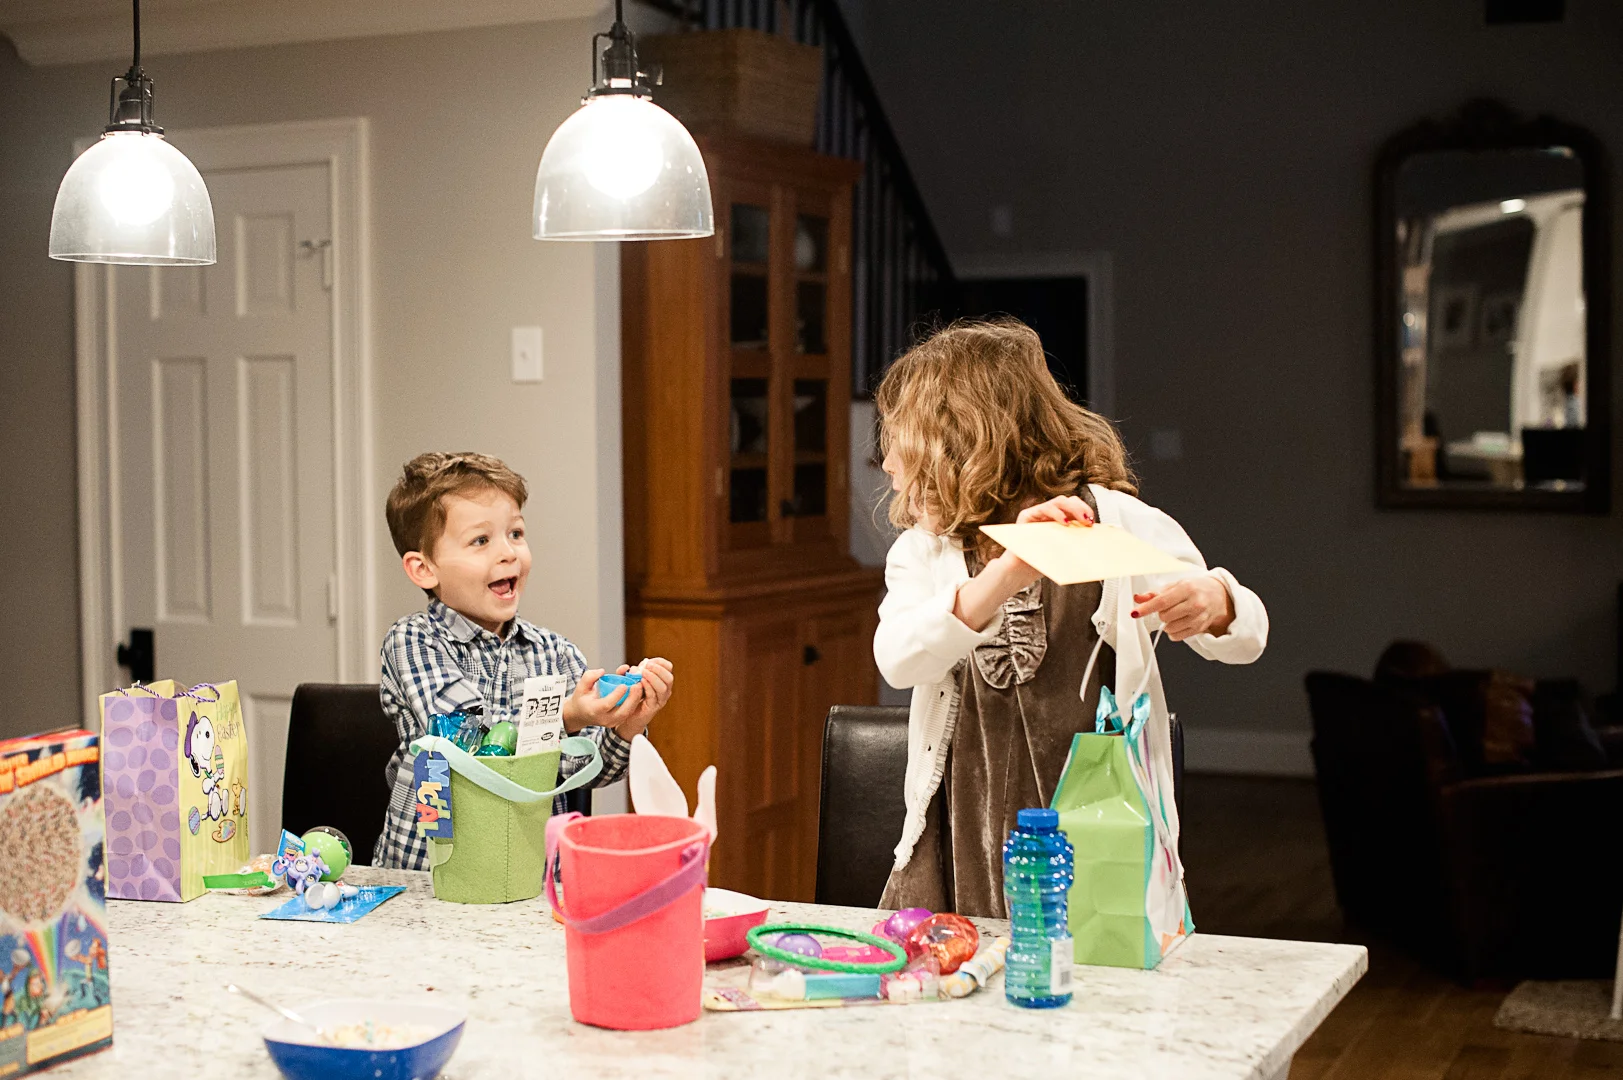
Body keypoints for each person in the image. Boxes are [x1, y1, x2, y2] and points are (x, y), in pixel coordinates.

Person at [872, 319, 1268, 917]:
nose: (887, 461)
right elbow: (898, 660)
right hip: (964, 815)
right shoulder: (926, 549)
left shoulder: (1111, 522)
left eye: (901, 435)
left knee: (1093, 977)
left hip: (1096, 819)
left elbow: (1245, 641)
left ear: (957, 437)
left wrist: (1220, 602)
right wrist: (1004, 575)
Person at [372, 452, 674, 870]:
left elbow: (588, 769)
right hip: (432, 878)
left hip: (530, 877)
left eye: (515, 533)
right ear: (424, 569)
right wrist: (565, 716)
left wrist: (627, 725)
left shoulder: (556, 653)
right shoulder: (413, 640)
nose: (508, 553)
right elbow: (465, 741)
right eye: (481, 541)